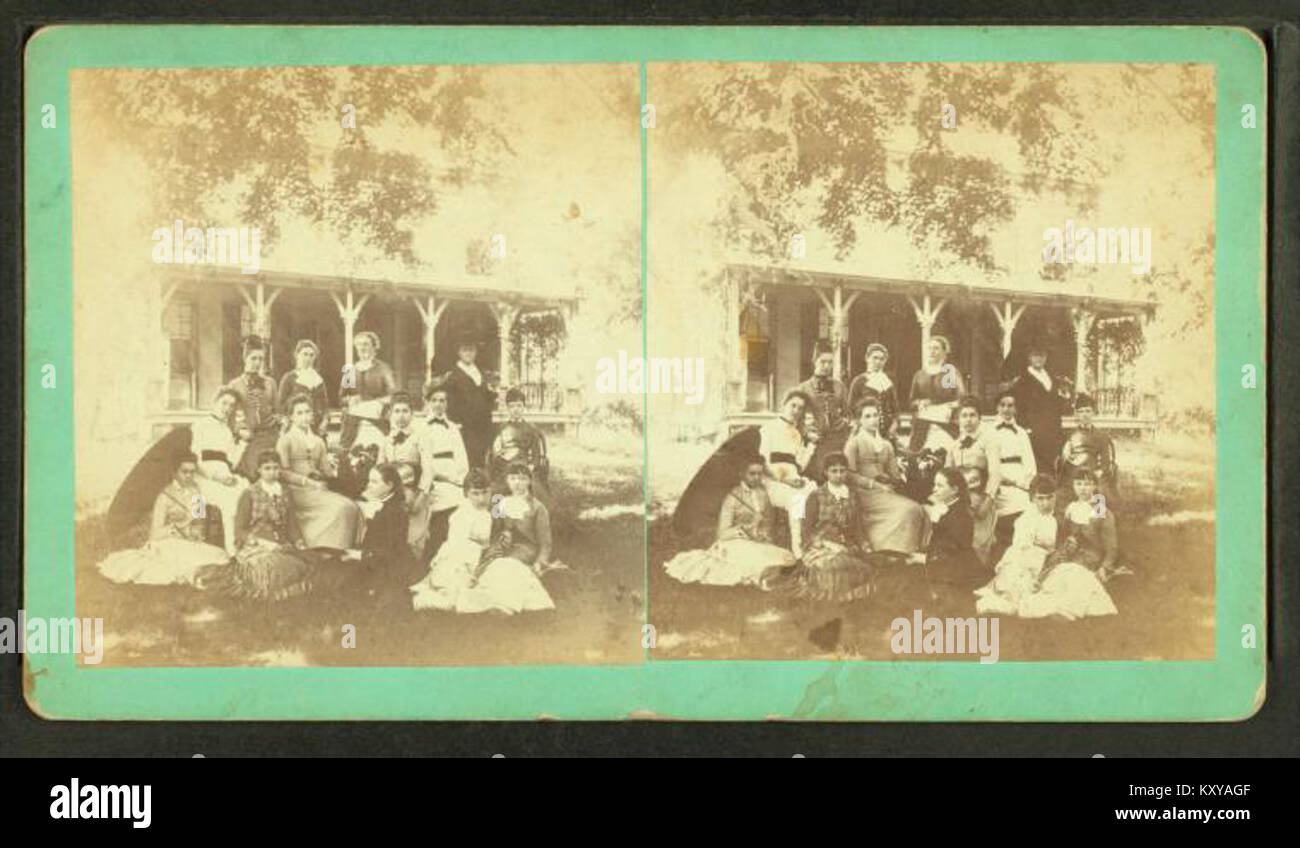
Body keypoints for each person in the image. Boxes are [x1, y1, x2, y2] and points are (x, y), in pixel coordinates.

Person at [195, 450, 353, 602]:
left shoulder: (285, 491)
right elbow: (239, 530)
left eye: (276, 468)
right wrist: (261, 542)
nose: (272, 472)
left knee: (311, 562)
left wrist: (299, 542)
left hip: (283, 545)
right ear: (259, 470)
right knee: (279, 572)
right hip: (258, 548)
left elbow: (291, 523)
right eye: (267, 468)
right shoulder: (249, 494)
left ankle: (305, 582)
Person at [977, 469, 1119, 620]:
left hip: (1082, 557)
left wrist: (1105, 567)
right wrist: (1057, 555)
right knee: (1059, 580)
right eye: (1079, 484)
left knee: (1075, 578)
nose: (1083, 488)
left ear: (1095, 486)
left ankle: (1065, 607)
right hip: (1044, 560)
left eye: (1088, 484)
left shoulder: (1097, 511)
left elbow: (1111, 545)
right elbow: (1030, 548)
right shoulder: (1058, 512)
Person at [663, 454, 797, 586]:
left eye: (759, 473)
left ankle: (767, 574)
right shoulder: (733, 497)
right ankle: (763, 576)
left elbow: (768, 524)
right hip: (734, 543)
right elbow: (722, 533)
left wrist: (763, 534)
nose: (757, 477)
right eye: (752, 473)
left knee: (786, 556)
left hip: (757, 542)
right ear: (742, 474)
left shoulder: (763, 494)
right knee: (756, 559)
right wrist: (745, 529)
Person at [96, 452, 230, 584]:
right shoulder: (165, 496)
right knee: (187, 562)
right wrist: (175, 529)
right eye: (185, 472)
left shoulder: (196, 491)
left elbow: (199, 520)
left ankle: (201, 574)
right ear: (175, 472)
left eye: (192, 472)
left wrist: (196, 531)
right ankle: (197, 574)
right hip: (167, 543)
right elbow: (155, 534)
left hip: (190, 541)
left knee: (219, 555)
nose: (189, 476)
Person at [761, 452, 874, 602]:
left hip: (846, 545)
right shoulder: (816, 496)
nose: (838, 475)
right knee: (831, 568)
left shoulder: (852, 495)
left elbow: (858, 526)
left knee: (863, 569)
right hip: (820, 546)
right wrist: (827, 544)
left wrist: (866, 546)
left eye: (842, 471)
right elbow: (806, 530)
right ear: (826, 473)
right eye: (834, 471)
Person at [277, 395, 362, 549]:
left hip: (318, 488)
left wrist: (344, 467)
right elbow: (282, 472)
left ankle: (340, 551)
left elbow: (327, 472)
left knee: (351, 506)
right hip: (296, 490)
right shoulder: (286, 439)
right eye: (299, 413)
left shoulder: (318, 441)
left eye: (307, 412)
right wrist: (308, 482)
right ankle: (322, 547)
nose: (304, 417)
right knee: (341, 508)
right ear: (291, 417)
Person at [843, 399, 926, 552]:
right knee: (908, 510)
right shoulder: (854, 443)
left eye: (875, 415)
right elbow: (848, 475)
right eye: (867, 416)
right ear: (859, 420)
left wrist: (908, 471)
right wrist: (875, 485)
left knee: (917, 509)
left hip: (885, 491)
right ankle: (887, 548)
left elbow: (895, 475)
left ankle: (907, 552)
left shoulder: (886, 444)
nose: (873, 420)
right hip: (863, 493)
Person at [974, 474, 1059, 615]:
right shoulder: (1027, 518)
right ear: (1032, 498)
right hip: (1026, 558)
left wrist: (1047, 549)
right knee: (1019, 582)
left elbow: (1050, 546)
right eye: (1041, 498)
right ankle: (1001, 598)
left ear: (1056, 496)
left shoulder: (1052, 520)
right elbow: (1021, 546)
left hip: (1043, 559)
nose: (1046, 503)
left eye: (1050, 497)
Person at [906, 467, 986, 610]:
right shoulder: (946, 508)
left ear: (955, 489)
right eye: (935, 484)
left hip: (956, 569)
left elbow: (953, 553)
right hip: (942, 561)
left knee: (909, 580)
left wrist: (924, 558)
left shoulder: (960, 516)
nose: (935, 489)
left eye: (940, 486)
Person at [759, 389, 818, 556]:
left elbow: (800, 466)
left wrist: (811, 446)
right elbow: (763, 462)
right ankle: (798, 551)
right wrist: (785, 481)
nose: (796, 411)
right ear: (783, 405)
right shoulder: (768, 428)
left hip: (794, 480)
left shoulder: (797, 434)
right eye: (793, 406)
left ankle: (812, 543)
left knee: (816, 493)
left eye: (800, 408)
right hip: (773, 481)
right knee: (797, 499)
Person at [191, 388, 250, 555]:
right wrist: (217, 477)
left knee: (247, 492)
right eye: (224, 403)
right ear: (215, 402)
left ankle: (243, 544)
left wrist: (243, 443)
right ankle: (232, 552)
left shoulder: (227, 431)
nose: (227, 408)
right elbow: (195, 459)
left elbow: (232, 462)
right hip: (204, 476)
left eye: (231, 405)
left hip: (225, 475)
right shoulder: (201, 424)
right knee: (230, 499)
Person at [418, 379, 469, 561]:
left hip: (452, 479)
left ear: (447, 404)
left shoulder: (453, 429)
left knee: (461, 506)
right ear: (428, 402)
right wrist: (432, 478)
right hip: (431, 479)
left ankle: (452, 556)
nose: (438, 404)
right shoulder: (421, 427)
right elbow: (422, 458)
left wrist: (458, 481)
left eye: (442, 400)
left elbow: (461, 459)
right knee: (439, 509)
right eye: (434, 400)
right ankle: (432, 556)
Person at [224, 336, 280, 480]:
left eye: (261, 359)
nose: (257, 363)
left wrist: (277, 421)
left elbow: (278, 412)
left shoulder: (270, 383)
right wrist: (240, 431)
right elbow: (229, 417)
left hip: (270, 437)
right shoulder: (234, 385)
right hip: (248, 440)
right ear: (245, 358)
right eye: (253, 358)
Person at [357, 462, 419, 589]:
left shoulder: (394, 511)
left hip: (389, 569)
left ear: (389, 485)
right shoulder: (383, 504)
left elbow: (390, 550)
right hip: (378, 559)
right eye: (369, 481)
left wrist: (361, 555)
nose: (369, 485)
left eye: (374, 482)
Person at [795, 341, 851, 476]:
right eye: (823, 361)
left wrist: (843, 423)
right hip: (815, 443)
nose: (827, 366)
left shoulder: (839, 387)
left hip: (838, 442)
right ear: (815, 361)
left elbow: (849, 413)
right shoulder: (803, 388)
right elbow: (796, 419)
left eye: (830, 362)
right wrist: (807, 433)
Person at [1012, 340, 1066, 473]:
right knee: (1036, 467)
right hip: (1034, 431)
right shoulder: (1023, 381)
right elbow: (1018, 407)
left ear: (1046, 357)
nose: (1039, 359)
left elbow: (1056, 405)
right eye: (1035, 355)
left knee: (1052, 466)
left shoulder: (1052, 379)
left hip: (1052, 429)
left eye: (1042, 355)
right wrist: (1026, 429)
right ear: (1029, 357)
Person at [907, 334, 967, 452]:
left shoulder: (949, 372)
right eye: (930, 348)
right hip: (922, 424)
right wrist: (919, 403)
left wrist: (953, 405)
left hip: (946, 423)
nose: (932, 352)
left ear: (945, 352)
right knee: (916, 455)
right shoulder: (920, 374)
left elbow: (961, 399)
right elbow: (911, 401)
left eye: (936, 348)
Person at [443, 337, 496, 469]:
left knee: (482, 456)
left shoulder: (479, 372)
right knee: (468, 457)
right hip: (466, 425)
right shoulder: (454, 376)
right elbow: (451, 402)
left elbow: (484, 396)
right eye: (465, 350)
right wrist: (456, 422)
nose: (469, 354)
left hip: (483, 423)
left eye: (471, 350)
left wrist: (491, 394)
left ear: (476, 352)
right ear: (459, 353)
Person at [986, 390, 1038, 525]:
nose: (1006, 409)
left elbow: (1029, 462)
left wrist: (1022, 483)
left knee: (1025, 506)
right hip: (997, 478)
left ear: (1015, 409)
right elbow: (985, 460)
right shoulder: (988, 431)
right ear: (997, 407)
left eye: (1010, 405)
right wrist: (996, 480)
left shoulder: (1021, 433)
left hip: (1018, 478)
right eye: (1002, 405)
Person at [340, 330, 396, 450]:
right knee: (347, 449)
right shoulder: (350, 370)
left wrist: (379, 402)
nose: (362, 348)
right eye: (359, 345)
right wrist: (350, 399)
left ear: (374, 347)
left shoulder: (383, 369)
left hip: (377, 418)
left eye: (366, 344)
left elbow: (392, 395)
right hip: (353, 420)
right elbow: (341, 398)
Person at [491, 388, 550, 500]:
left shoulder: (531, 429)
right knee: (498, 491)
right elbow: (496, 451)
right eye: (512, 406)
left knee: (534, 491)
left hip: (525, 467)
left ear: (524, 407)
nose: (516, 410)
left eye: (519, 406)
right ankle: (499, 515)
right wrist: (502, 463)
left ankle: (529, 515)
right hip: (506, 468)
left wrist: (530, 468)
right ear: (508, 408)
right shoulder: (502, 429)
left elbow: (536, 454)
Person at [1059, 392, 1118, 501]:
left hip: (1094, 473)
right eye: (1081, 412)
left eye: (1088, 411)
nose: (1084, 415)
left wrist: (1097, 474)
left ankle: (1098, 516)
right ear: (1076, 414)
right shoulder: (1069, 435)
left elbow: (1106, 462)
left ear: (1093, 413)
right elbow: (1065, 461)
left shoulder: (1102, 436)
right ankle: (1070, 516)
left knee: (1101, 493)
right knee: (1064, 495)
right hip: (1074, 473)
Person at [846, 342, 901, 441]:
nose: (878, 362)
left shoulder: (888, 381)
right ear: (867, 358)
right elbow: (850, 408)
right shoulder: (859, 381)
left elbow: (895, 408)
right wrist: (858, 425)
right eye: (875, 358)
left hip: (887, 432)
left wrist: (895, 424)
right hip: (865, 430)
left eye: (882, 359)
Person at [277, 339, 330, 435]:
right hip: (295, 426)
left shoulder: (318, 379)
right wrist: (286, 421)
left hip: (317, 428)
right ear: (297, 355)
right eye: (305, 354)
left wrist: (325, 421)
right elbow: (280, 405)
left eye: (311, 355)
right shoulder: (289, 378)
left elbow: (325, 404)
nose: (308, 358)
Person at [962, 465, 998, 566]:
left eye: (975, 479)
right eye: (967, 481)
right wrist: (992, 494)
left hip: (985, 540)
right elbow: (981, 514)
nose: (971, 484)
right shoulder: (970, 498)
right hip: (975, 542)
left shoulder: (983, 498)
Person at [947, 396, 989, 473]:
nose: (968, 419)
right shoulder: (953, 446)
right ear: (959, 420)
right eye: (964, 416)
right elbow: (947, 475)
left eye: (972, 415)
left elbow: (994, 474)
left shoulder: (988, 443)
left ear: (979, 418)